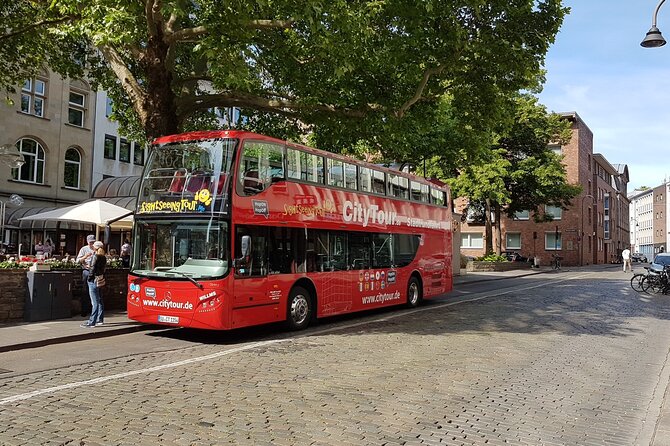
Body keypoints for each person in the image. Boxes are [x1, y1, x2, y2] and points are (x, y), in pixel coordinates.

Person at [81, 241, 107, 328]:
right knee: (100, 300)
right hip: (100, 279)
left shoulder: (95, 256)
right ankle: (100, 319)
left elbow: (92, 269)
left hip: (93, 280)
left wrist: (89, 278)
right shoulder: (103, 257)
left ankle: (92, 322)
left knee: (94, 302)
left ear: (95, 248)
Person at [76, 235, 97, 316]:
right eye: (90, 242)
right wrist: (85, 256)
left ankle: (93, 310)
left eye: (93, 242)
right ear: (87, 242)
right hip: (87, 271)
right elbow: (78, 261)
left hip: (95, 271)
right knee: (86, 290)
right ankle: (84, 310)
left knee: (95, 291)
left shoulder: (97, 249)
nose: (92, 244)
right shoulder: (84, 249)